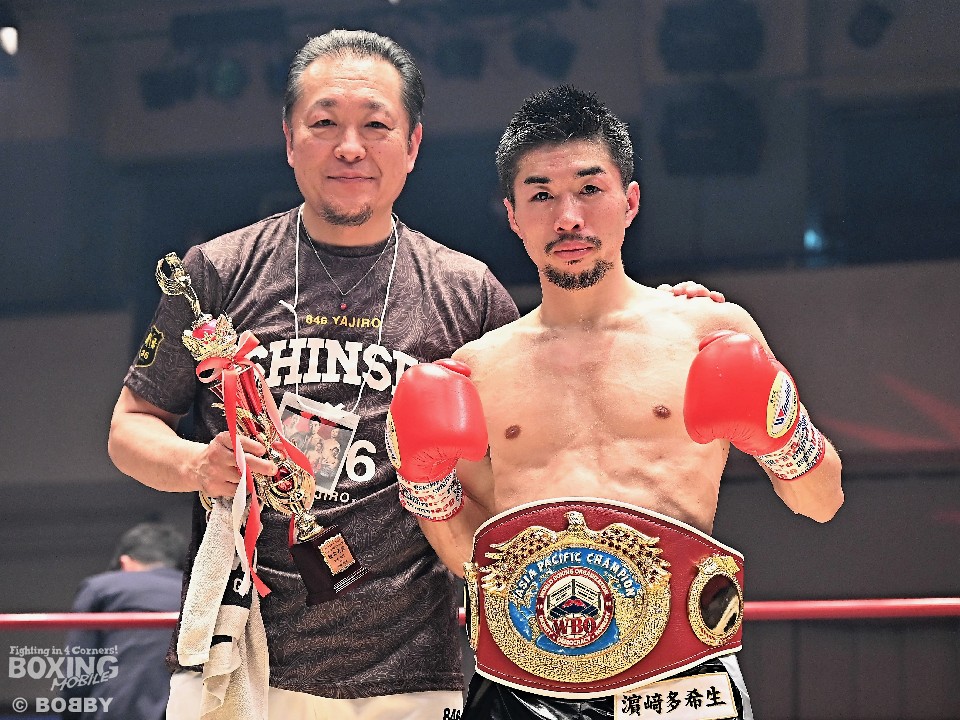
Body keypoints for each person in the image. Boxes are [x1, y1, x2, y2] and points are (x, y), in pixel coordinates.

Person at [387, 85, 844, 719]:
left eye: (589, 188)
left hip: (678, 681)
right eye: (541, 195)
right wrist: (426, 486)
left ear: (630, 201)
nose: (567, 218)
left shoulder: (705, 333)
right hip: (521, 688)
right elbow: (470, 558)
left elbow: (821, 501)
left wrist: (782, 436)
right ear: (513, 215)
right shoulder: (478, 370)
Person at [107, 29, 521, 719]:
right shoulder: (219, 270)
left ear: (413, 145)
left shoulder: (468, 291)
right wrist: (195, 465)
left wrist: (661, 309)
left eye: (376, 126)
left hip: (412, 671)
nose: (350, 147)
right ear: (289, 139)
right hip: (236, 656)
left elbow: (528, 446)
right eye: (324, 123)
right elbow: (130, 426)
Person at [61, 523, 186, 720]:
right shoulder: (196, 591)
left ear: (125, 562)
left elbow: (78, 671)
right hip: (188, 710)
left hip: (116, 711)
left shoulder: (100, 588)